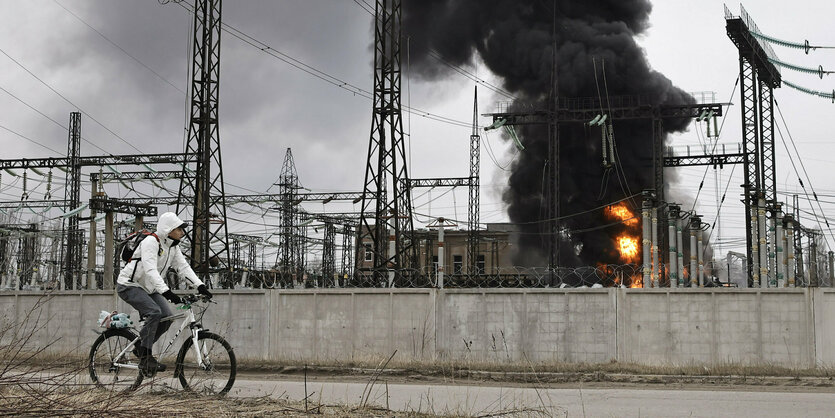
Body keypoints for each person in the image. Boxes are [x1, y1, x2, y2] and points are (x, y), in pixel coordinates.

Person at [116, 212, 213, 374]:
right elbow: (150, 270)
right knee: (154, 312)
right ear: (168, 229)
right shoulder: (151, 242)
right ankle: (146, 357)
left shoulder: (172, 247)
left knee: (166, 317)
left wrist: (200, 286)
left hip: (149, 288)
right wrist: (167, 293)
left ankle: (141, 347)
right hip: (129, 284)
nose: (182, 232)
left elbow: (183, 268)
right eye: (179, 229)